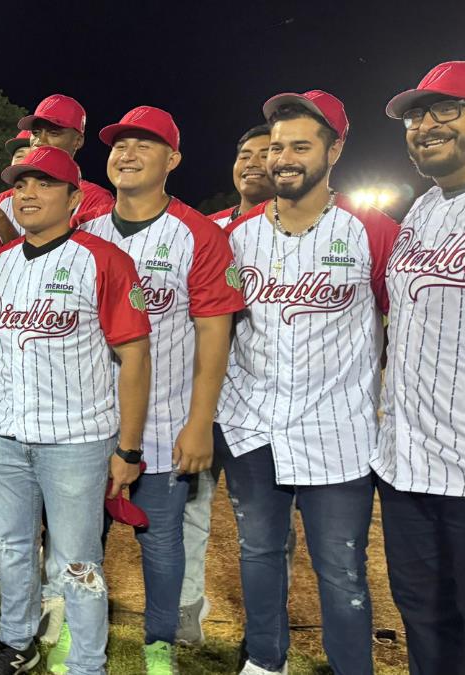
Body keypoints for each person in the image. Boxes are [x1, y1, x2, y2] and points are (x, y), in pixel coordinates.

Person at [216, 90, 398, 675]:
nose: (283, 158)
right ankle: (266, 662)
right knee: (259, 552)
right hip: (251, 424)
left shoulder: (372, 231)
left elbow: (407, 318)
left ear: (334, 150)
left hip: (337, 428)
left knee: (342, 566)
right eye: (275, 147)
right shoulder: (237, 236)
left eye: (300, 145)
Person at [0, 145, 152, 675]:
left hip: (76, 440)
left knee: (77, 563)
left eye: (43, 183)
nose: (27, 193)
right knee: (13, 551)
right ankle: (17, 643)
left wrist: (129, 448)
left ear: (73, 197)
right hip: (4, 433)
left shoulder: (103, 259)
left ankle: (88, 663)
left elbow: (134, 355)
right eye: (20, 184)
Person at [79, 106, 244, 674]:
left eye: (143, 145)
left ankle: (159, 643)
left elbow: (214, 338)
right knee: (81, 538)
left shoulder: (198, 234)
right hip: (85, 420)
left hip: (165, 417)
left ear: (172, 159)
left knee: (163, 540)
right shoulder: (85, 233)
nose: (126, 154)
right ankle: (79, 634)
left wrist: (200, 423)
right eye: (119, 144)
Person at [377, 60, 465, 675]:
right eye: (416, 115)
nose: (424, 125)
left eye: (446, 110)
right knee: (423, 614)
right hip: (409, 463)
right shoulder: (423, 210)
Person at [178, 122, 279, 646]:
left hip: (260, 402)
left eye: (268, 154)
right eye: (245, 153)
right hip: (199, 394)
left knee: (262, 527)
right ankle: (188, 604)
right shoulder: (208, 227)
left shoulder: (295, 226)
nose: (254, 163)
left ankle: (267, 631)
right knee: (190, 505)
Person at [0, 95, 116, 243]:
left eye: (53, 133)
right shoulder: (4, 200)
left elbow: (75, 263)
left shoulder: (97, 200)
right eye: (36, 133)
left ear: (78, 141)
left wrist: (1, 220)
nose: (39, 141)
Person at [206, 125, 276, 226]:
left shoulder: (303, 229)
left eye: (265, 156)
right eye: (244, 157)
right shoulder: (207, 227)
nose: (251, 163)